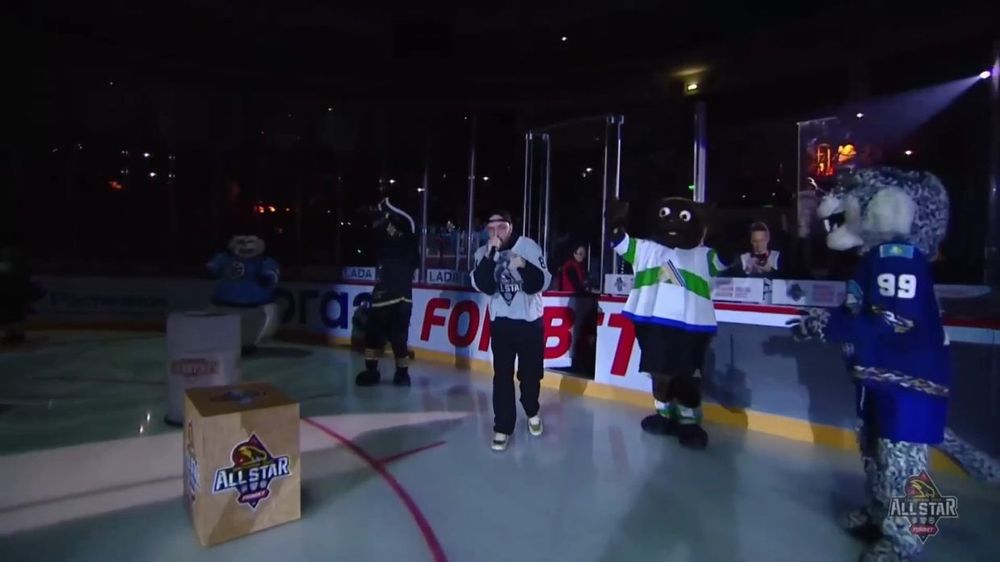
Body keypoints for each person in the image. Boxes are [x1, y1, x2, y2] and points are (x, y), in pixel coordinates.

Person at [470, 211, 551, 451]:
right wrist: (490, 256)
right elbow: (483, 285)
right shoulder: (482, 253)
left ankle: (532, 409)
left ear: (511, 227)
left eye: (501, 227)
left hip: (530, 323)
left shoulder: (528, 246)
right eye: (491, 228)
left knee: (530, 377)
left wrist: (523, 265)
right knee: (502, 377)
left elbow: (542, 282)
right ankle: (503, 427)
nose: (496, 232)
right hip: (502, 324)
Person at [356, 197, 420, 387]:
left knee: (374, 334)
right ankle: (402, 374)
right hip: (404, 293)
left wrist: (384, 206)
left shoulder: (395, 227)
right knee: (399, 337)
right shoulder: (405, 234)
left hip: (388, 292)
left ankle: (372, 371)